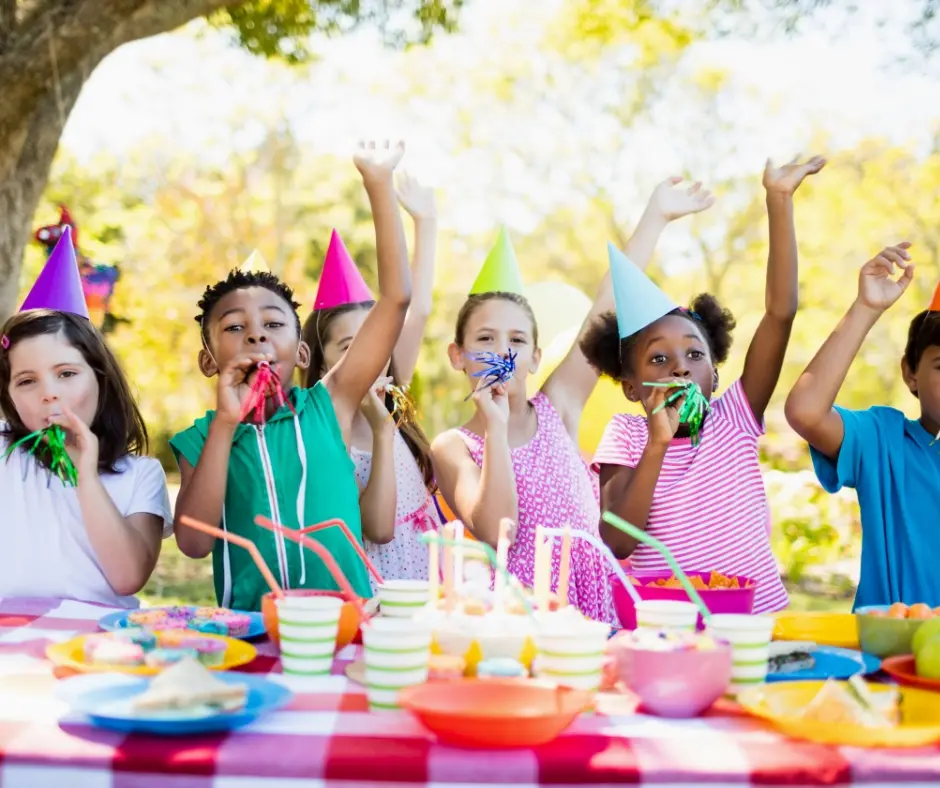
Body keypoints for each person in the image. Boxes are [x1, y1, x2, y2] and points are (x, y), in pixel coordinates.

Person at [432, 177, 715, 622]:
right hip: (519, 614)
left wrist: (655, 216)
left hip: (592, 604)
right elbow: (498, 530)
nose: (502, 351)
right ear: (458, 356)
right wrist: (497, 428)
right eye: (485, 338)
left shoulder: (558, 405)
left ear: (534, 357)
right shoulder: (453, 446)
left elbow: (607, 303)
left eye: (517, 340)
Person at [171, 141, 412, 611]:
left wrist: (378, 184)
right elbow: (193, 544)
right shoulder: (200, 438)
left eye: (274, 325)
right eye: (235, 327)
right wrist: (224, 423)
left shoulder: (330, 405)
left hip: (350, 623)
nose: (257, 337)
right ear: (208, 362)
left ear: (302, 353)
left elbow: (396, 299)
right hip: (253, 631)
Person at [585, 156, 826, 614]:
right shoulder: (628, 434)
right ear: (632, 387)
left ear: (714, 374)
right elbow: (617, 540)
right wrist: (656, 445)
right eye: (659, 358)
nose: (680, 368)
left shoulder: (736, 415)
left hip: (755, 620)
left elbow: (780, 313)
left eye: (695, 355)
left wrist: (779, 201)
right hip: (668, 628)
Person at [0, 228, 170, 608]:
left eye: (66, 373)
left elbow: (127, 577)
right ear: (9, 397)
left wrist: (86, 476)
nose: (49, 393)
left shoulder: (140, 475)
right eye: (26, 380)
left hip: (99, 649)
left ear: (101, 379)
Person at [302, 174, 439, 591]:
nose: (368, 358)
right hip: (381, 589)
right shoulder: (327, 430)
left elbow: (416, 309)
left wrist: (426, 223)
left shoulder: (395, 386)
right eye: (349, 346)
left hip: (427, 577)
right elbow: (378, 530)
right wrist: (382, 432)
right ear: (319, 359)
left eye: (375, 343)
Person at [785, 242, 940, 608]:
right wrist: (866, 308)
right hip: (888, 654)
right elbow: (806, 411)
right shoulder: (885, 441)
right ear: (910, 373)